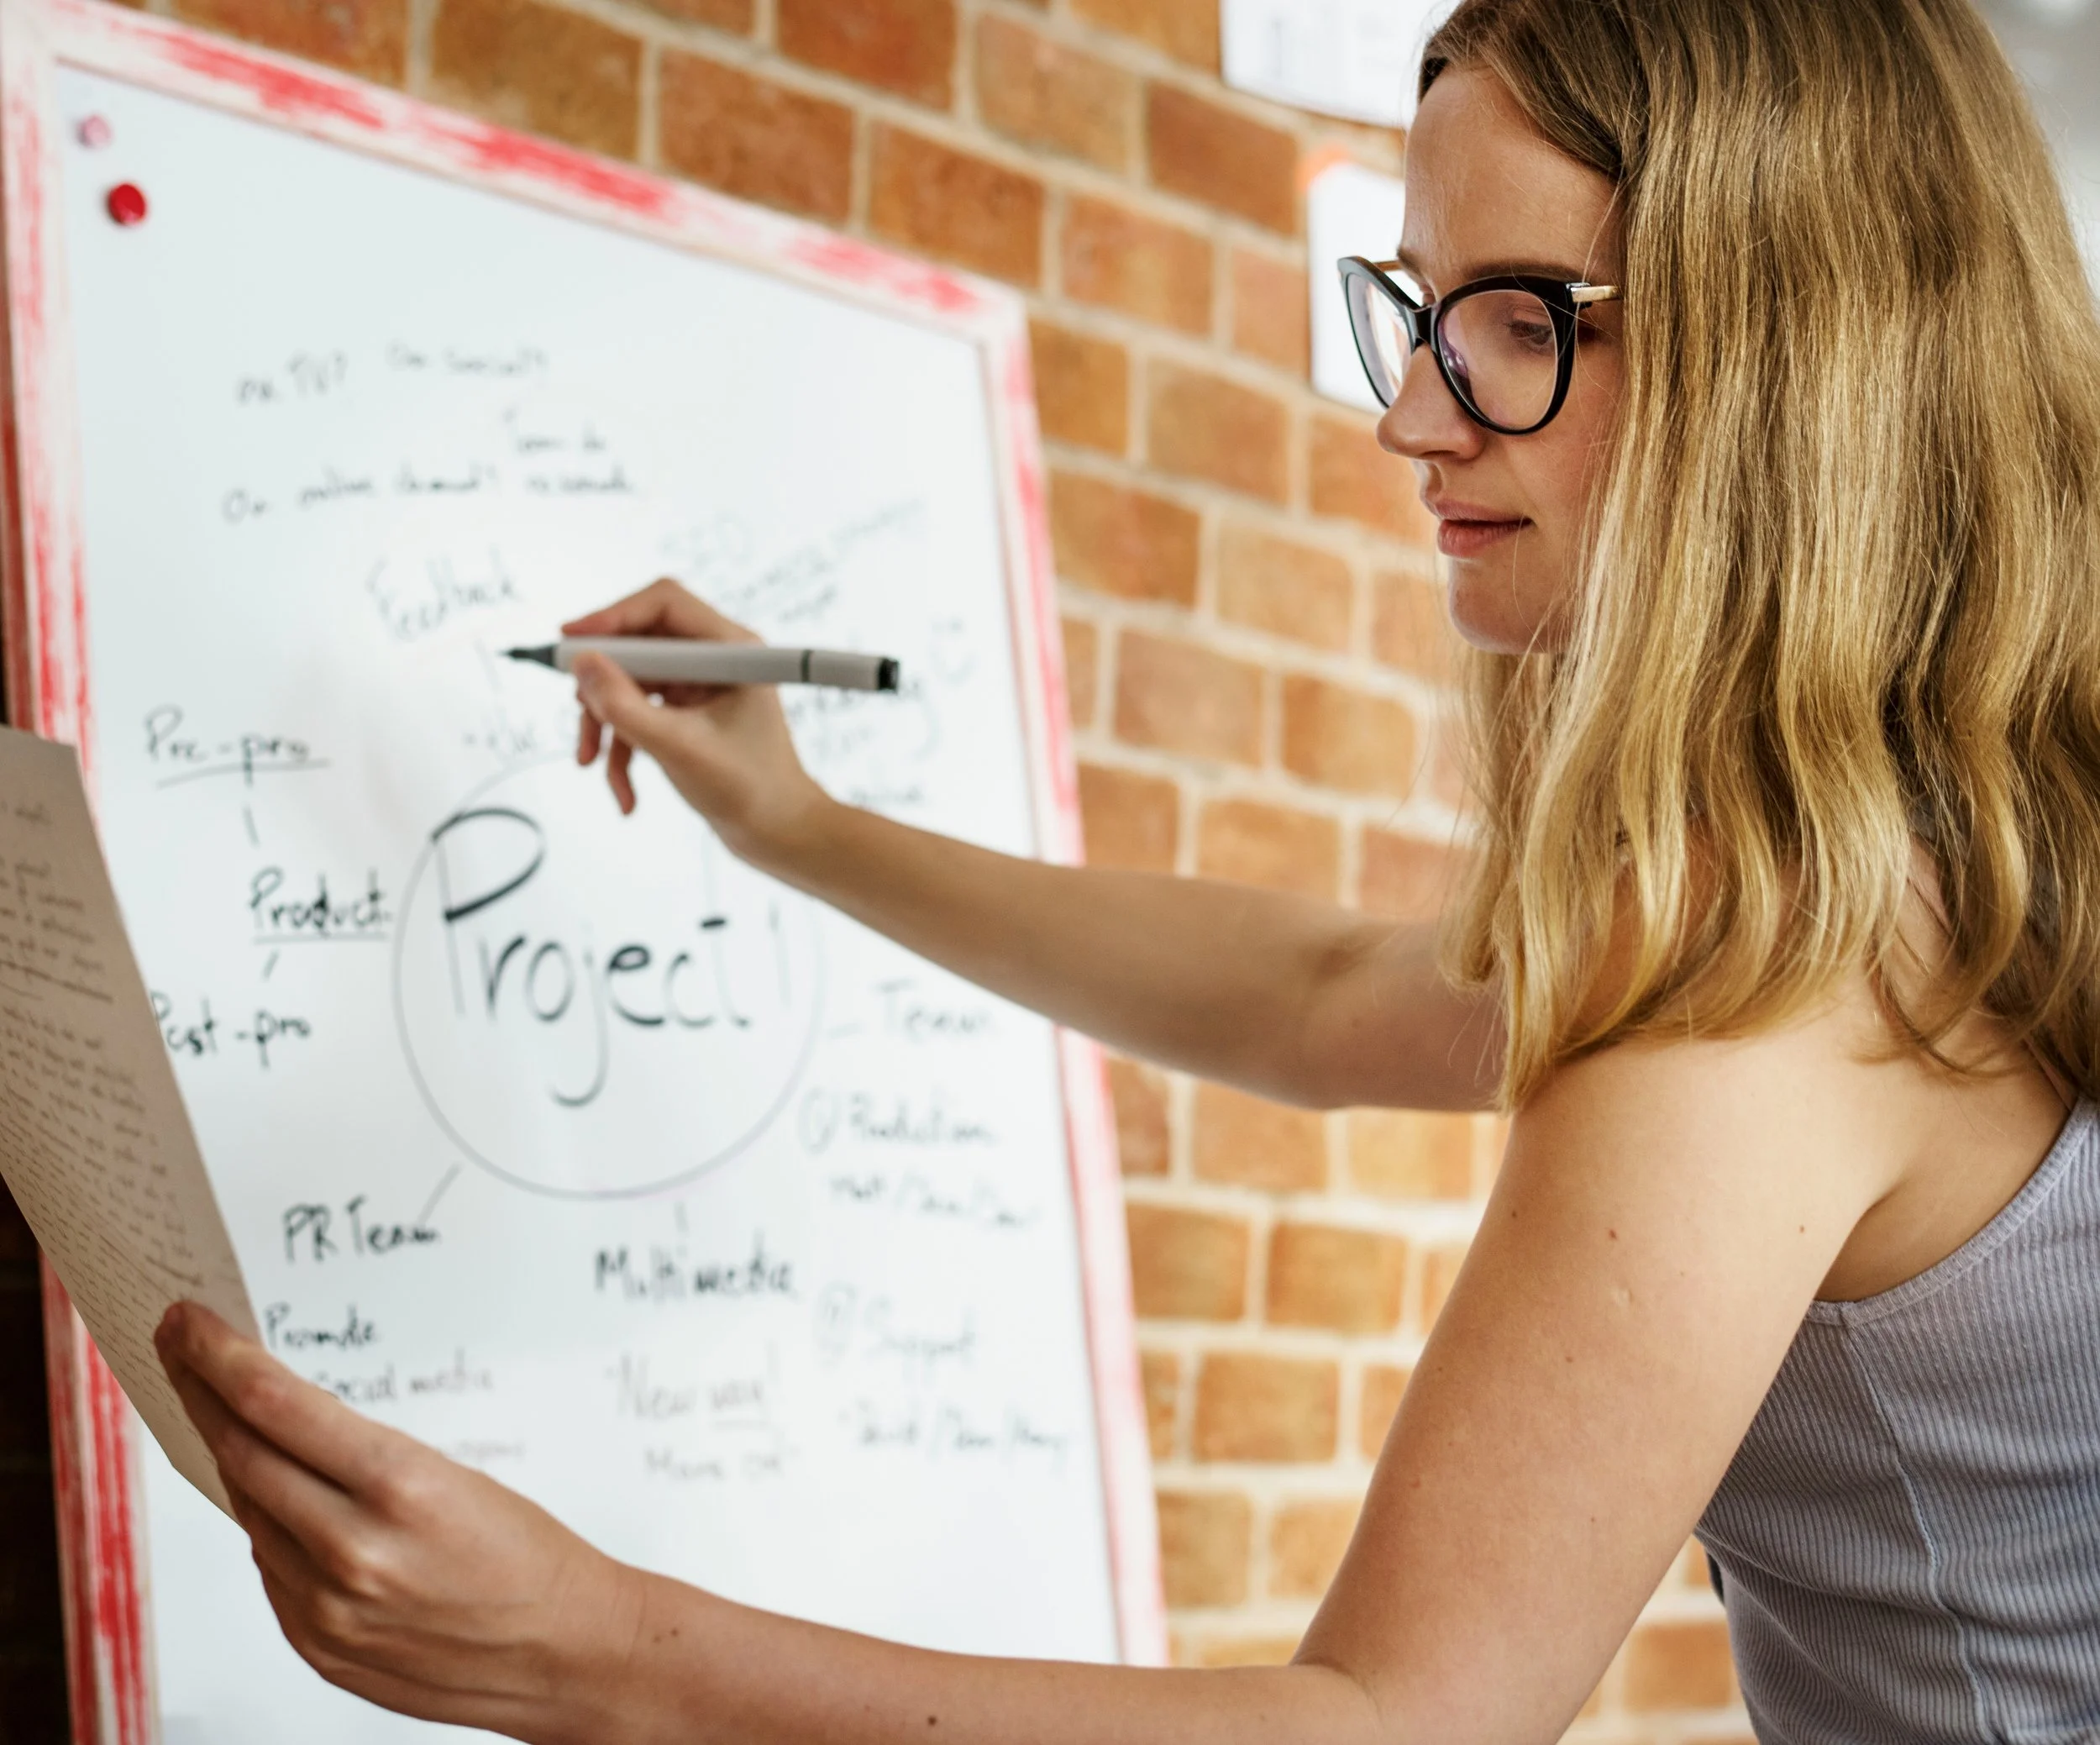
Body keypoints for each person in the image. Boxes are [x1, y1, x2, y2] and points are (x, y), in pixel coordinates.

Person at [154, 0, 2100, 1738]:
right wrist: (801, 823)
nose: (1409, 415)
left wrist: (601, 1657)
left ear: (1799, 345)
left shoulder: (1779, 966)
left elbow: (1395, 1720)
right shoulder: (1951, 832)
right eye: (1412, 310)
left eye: (1517, 323)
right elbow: (1321, 994)